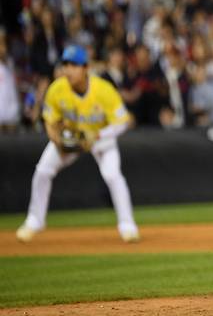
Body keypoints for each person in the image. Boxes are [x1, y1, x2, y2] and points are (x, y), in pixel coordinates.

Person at [16, 45, 140, 243]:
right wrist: (57, 140)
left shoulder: (103, 90)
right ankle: (34, 221)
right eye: (65, 64)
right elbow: (50, 120)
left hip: (100, 139)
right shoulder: (57, 89)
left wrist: (98, 135)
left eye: (74, 65)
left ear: (85, 68)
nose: (68, 69)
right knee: (43, 170)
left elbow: (124, 122)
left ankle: (127, 226)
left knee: (112, 175)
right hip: (72, 137)